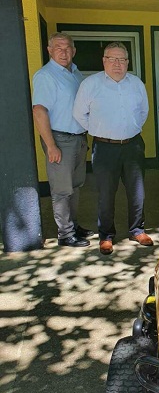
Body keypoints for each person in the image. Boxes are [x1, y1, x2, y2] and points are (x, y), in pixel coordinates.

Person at [73, 42, 152, 255]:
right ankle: (106, 235)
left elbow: (143, 112)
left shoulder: (136, 84)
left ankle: (137, 230)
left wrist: (130, 129)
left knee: (137, 192)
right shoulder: (90, 84)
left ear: (127, 62)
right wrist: (99, 130)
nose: (117, 64)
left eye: (122, 59)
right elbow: (79, 114)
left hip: (133, 145)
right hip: (104, 148)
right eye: (112, 59)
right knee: (106, 194)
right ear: (104, 61)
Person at [32, 32, 93, 247]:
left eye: (67, 48)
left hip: (78, 139)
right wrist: (51, 145)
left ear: (74, 51)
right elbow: (39, 111)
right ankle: (65, 234)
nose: (63, 52)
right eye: (58, 47)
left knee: (75, 186)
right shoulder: (46, 75)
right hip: (59, 140)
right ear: (49, 50)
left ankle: (73, 226)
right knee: (61, 190)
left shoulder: (76, 74)